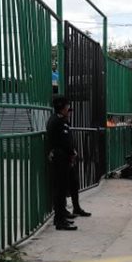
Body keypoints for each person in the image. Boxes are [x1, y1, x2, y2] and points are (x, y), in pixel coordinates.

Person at [46, 96, 77, 231]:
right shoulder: (58, 121)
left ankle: (61, 216)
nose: (68, 109)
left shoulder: (58, 120)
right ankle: (60, 220)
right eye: (67, 106)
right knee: (59, 190)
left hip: (61, 157)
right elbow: (64, 142)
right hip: (60, 158)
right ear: (62, 107)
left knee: (61, 188)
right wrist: (72, 152)